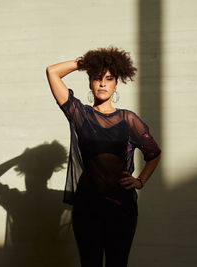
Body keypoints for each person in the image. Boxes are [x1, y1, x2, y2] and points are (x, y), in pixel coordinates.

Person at [45, 46, 162, 267]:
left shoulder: (129, 119)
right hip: (87, 206)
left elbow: (154, 153)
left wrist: (140, 181)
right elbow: (52, 72)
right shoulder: (81, 115)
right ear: (90, 82)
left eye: (108, 78)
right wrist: (87, 63)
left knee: (118, 263)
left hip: (122, 207)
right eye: (97, 78)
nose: (102, 83)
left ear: (116, 83)